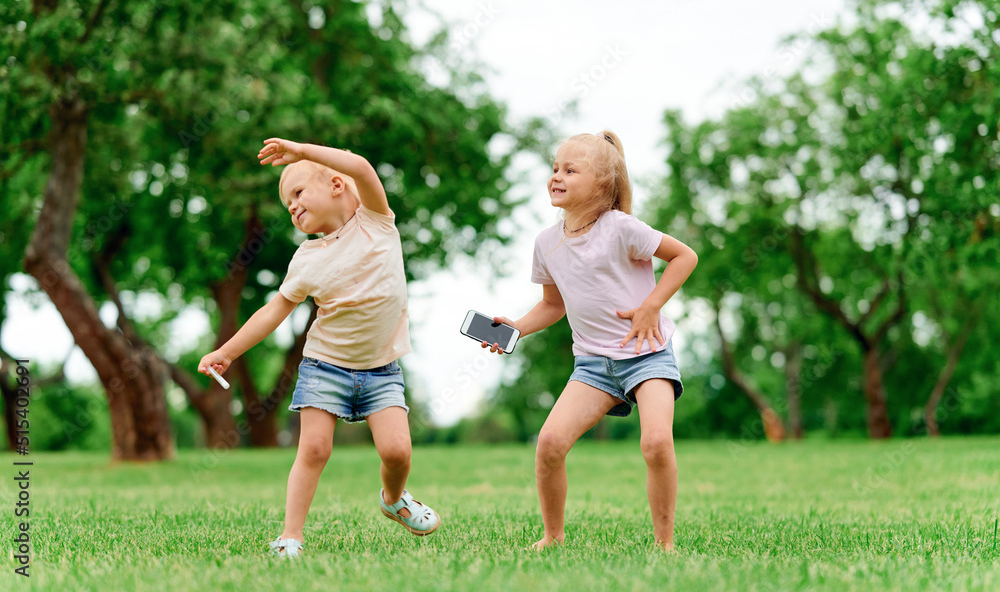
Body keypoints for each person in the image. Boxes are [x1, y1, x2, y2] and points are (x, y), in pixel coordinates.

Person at [198, 138, 440, 558]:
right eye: (285, 202)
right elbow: (272, 312)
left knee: (398, 451)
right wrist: (229, 351)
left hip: (382, 369)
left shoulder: (377, 221)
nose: (290, 206)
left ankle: (394, 499)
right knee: (313, 449)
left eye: (296, 193)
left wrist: (301, 152)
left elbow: (361, 167)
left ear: (334, 185)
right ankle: (291, 536)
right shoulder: (305, 259)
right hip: (325, 365)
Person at [483, 130, 697, 552]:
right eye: (554, 168)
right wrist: (516, 328)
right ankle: (552, 537)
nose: (555, 176)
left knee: (655, 443)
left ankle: (665, 544)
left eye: (569, 170)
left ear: (601, 183)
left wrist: (652, 305)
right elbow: (552, 305)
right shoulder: (547, 243)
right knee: (549, 445)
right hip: (594, 365)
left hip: (646, 353)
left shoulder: (621, 228)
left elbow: (684, 256)